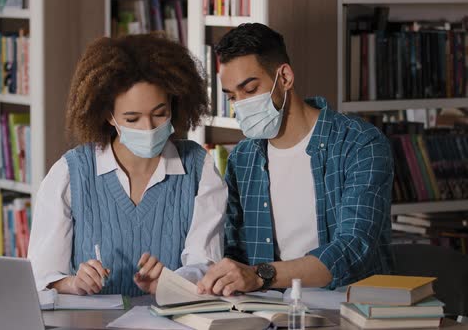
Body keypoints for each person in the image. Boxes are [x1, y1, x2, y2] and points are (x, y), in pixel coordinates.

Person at [197, 23, 394, 297]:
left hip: (353, 307)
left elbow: (353, 247)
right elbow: (234, 252)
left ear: (285, 77)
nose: (240, 105)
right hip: (270, 311)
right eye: (232, 96)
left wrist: (260, 276)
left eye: (250, 90)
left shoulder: (360, 143)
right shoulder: (242, 159)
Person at [28, 34, 227, 297]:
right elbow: (40, 276)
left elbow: (206, 265)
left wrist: (169, 281)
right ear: (108, 115)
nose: (148, 128)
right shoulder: (70, 173)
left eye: (160, 113)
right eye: (132, 118)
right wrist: (72, 283)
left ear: (174, 104)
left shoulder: (199, 170)